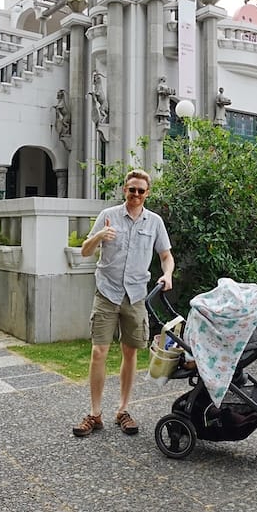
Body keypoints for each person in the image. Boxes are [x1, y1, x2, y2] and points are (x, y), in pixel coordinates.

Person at [73, 169, 174, 438]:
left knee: (130, 353)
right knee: (98, 352)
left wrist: (167, 273)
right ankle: (94, 414)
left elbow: (166, 255)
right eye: (132, 190)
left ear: (147, 193)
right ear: (124, 190)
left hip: (136, 296)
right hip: (107, 293)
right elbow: (85, 251)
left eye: (141, 191)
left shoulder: (154, 222)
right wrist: (98, 236)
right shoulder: (109, 215)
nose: (136, 195)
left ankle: (123, 410)